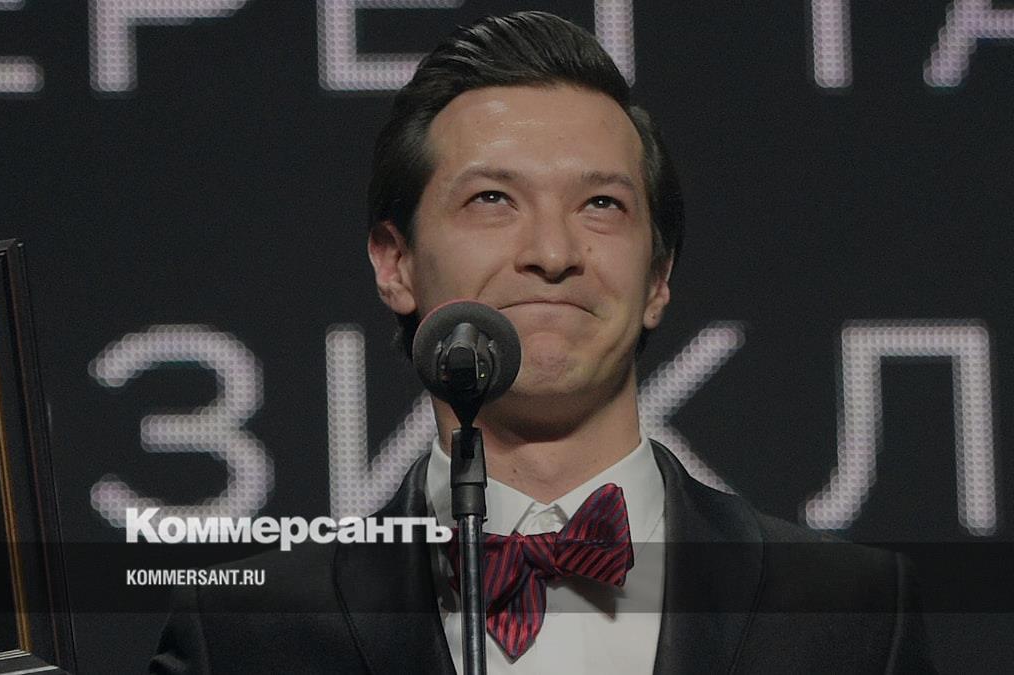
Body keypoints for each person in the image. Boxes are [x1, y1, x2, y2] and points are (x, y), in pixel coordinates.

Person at [151, 11, 933, 674]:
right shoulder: (245, 633)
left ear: (658, 276)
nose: (553, 253)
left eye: (601, 204)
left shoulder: (850, 614)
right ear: (395, 264)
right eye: (493, 198)